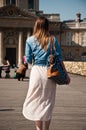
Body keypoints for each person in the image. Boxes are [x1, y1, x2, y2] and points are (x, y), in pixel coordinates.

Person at [22, 16, 70, 130]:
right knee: (48, 101)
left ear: (36, 26)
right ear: (47, 26)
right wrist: (66, 75)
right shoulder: (53, 39)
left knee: (36, 100)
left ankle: (38, 129)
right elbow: (59, 59)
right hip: (50, 72)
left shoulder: (30, 40)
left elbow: (28, 60)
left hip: (36, 72)